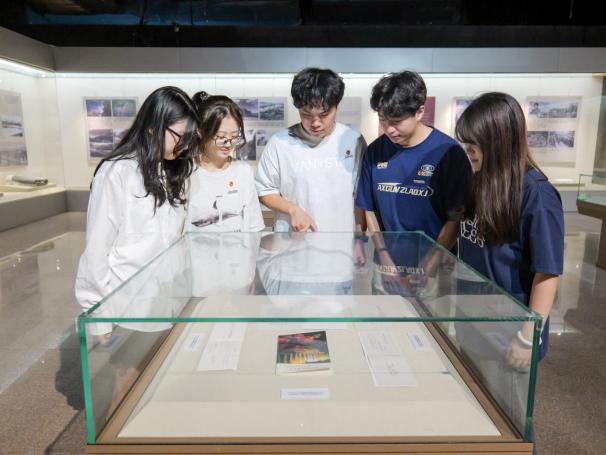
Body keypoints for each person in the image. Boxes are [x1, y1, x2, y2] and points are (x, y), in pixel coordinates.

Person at [455, 91, 564, 365]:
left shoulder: (537, 195)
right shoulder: (481, 179)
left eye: (474, 143)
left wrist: (528, 336)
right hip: (474, 321)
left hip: (510, 330)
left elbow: (547, 271)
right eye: (466, 142)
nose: (468, 150)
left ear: (498, 142)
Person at [75, 86, 200, 318]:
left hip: (166, 300)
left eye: (189, 138)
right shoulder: (117, 171)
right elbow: (97, 249)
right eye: (179, 137)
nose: (184, 146)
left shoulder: (174, 171)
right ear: (152, 126)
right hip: (127, 303)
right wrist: (98, 314)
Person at [356, 70, 471, 247]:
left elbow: (455, 219)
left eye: (396, 121)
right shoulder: (374, 151)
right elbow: (369, 209)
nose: (389, 129)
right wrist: (383, 253)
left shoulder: (449, 153)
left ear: (419, 112)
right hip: (387, 259)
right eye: (383, 120)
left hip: (437, 258)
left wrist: (432, 261)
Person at [255, 67, 367, 233]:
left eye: (323, 114)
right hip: (294, 242)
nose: (315, 123)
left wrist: (359, 235)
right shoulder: (280, 143)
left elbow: (360, 195)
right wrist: (293, 210)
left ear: (337, 106)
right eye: (306, 115)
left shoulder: (352, 140)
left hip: (341, 239)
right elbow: (264, 190)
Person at [188, 92, 264, 233]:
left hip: (239, 247)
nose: (228, 144)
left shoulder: (243, 171)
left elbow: (254, 226)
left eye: (234, 136)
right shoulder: (186, 172)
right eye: (221, 136)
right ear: (200, 132)